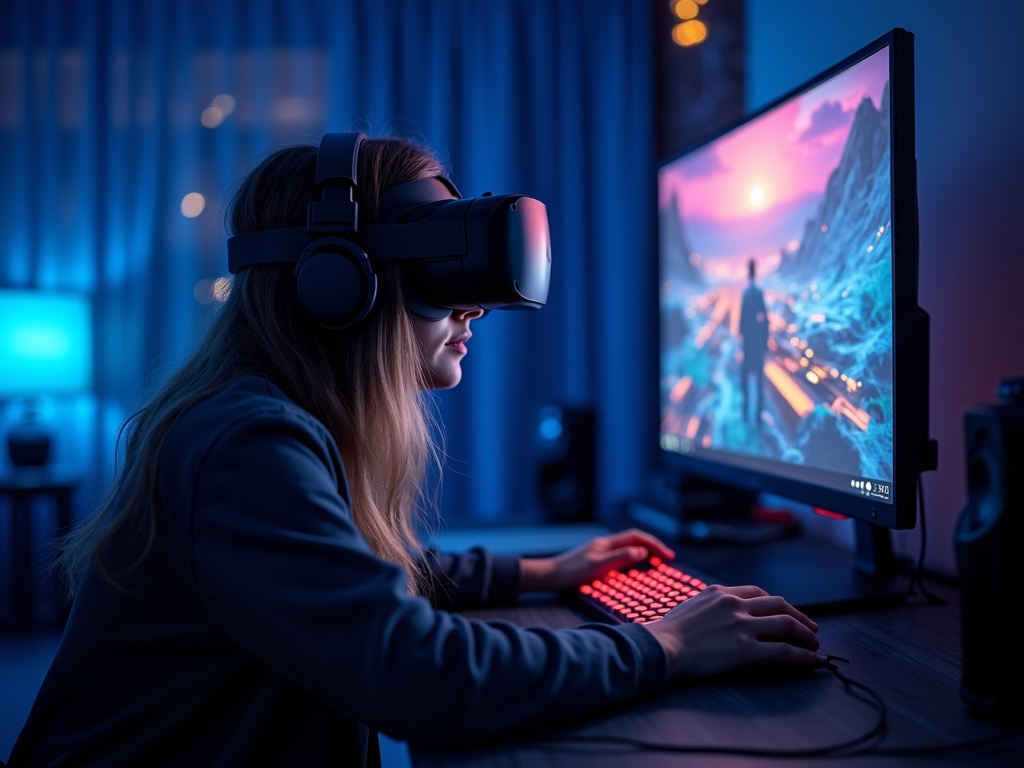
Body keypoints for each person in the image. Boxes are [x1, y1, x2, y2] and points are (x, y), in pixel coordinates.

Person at [9, 135, 821, 767]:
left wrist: (540, 572)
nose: (473, 307)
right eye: (439, 271)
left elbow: (348, 579)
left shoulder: (258, 421)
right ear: (338, 281)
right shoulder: (246, 446)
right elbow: (413, 673)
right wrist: (666, 643)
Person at [739, 257, 770, 425]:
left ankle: (745, 415)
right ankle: (757, 418)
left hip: (749, 344)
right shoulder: (757, 293)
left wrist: (743, 340)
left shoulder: (746, 294)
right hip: (757, 343)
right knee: (758, 383)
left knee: (746, 381)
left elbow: (741, 323)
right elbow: (765, 319)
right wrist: (764, 341)